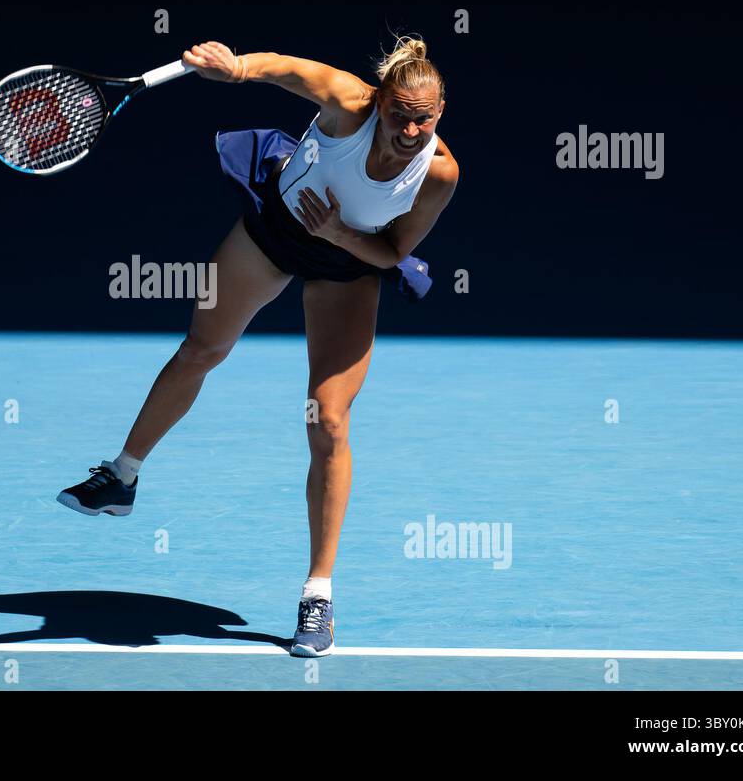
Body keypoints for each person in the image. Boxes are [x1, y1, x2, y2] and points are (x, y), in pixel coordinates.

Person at [57, 36, 459, 657]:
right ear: (379, 100)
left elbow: (393, 252)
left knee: (328, 422)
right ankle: (122, 476)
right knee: (201, 350)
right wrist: (237, 68)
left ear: (438, 116)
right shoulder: (346, 103)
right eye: (400, 113)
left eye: (423, 119)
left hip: (347, 267)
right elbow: (289, 71)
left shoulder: (438, 173)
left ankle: (318, 595)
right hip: (274, 231)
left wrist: (337, 233)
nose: (410, 129)